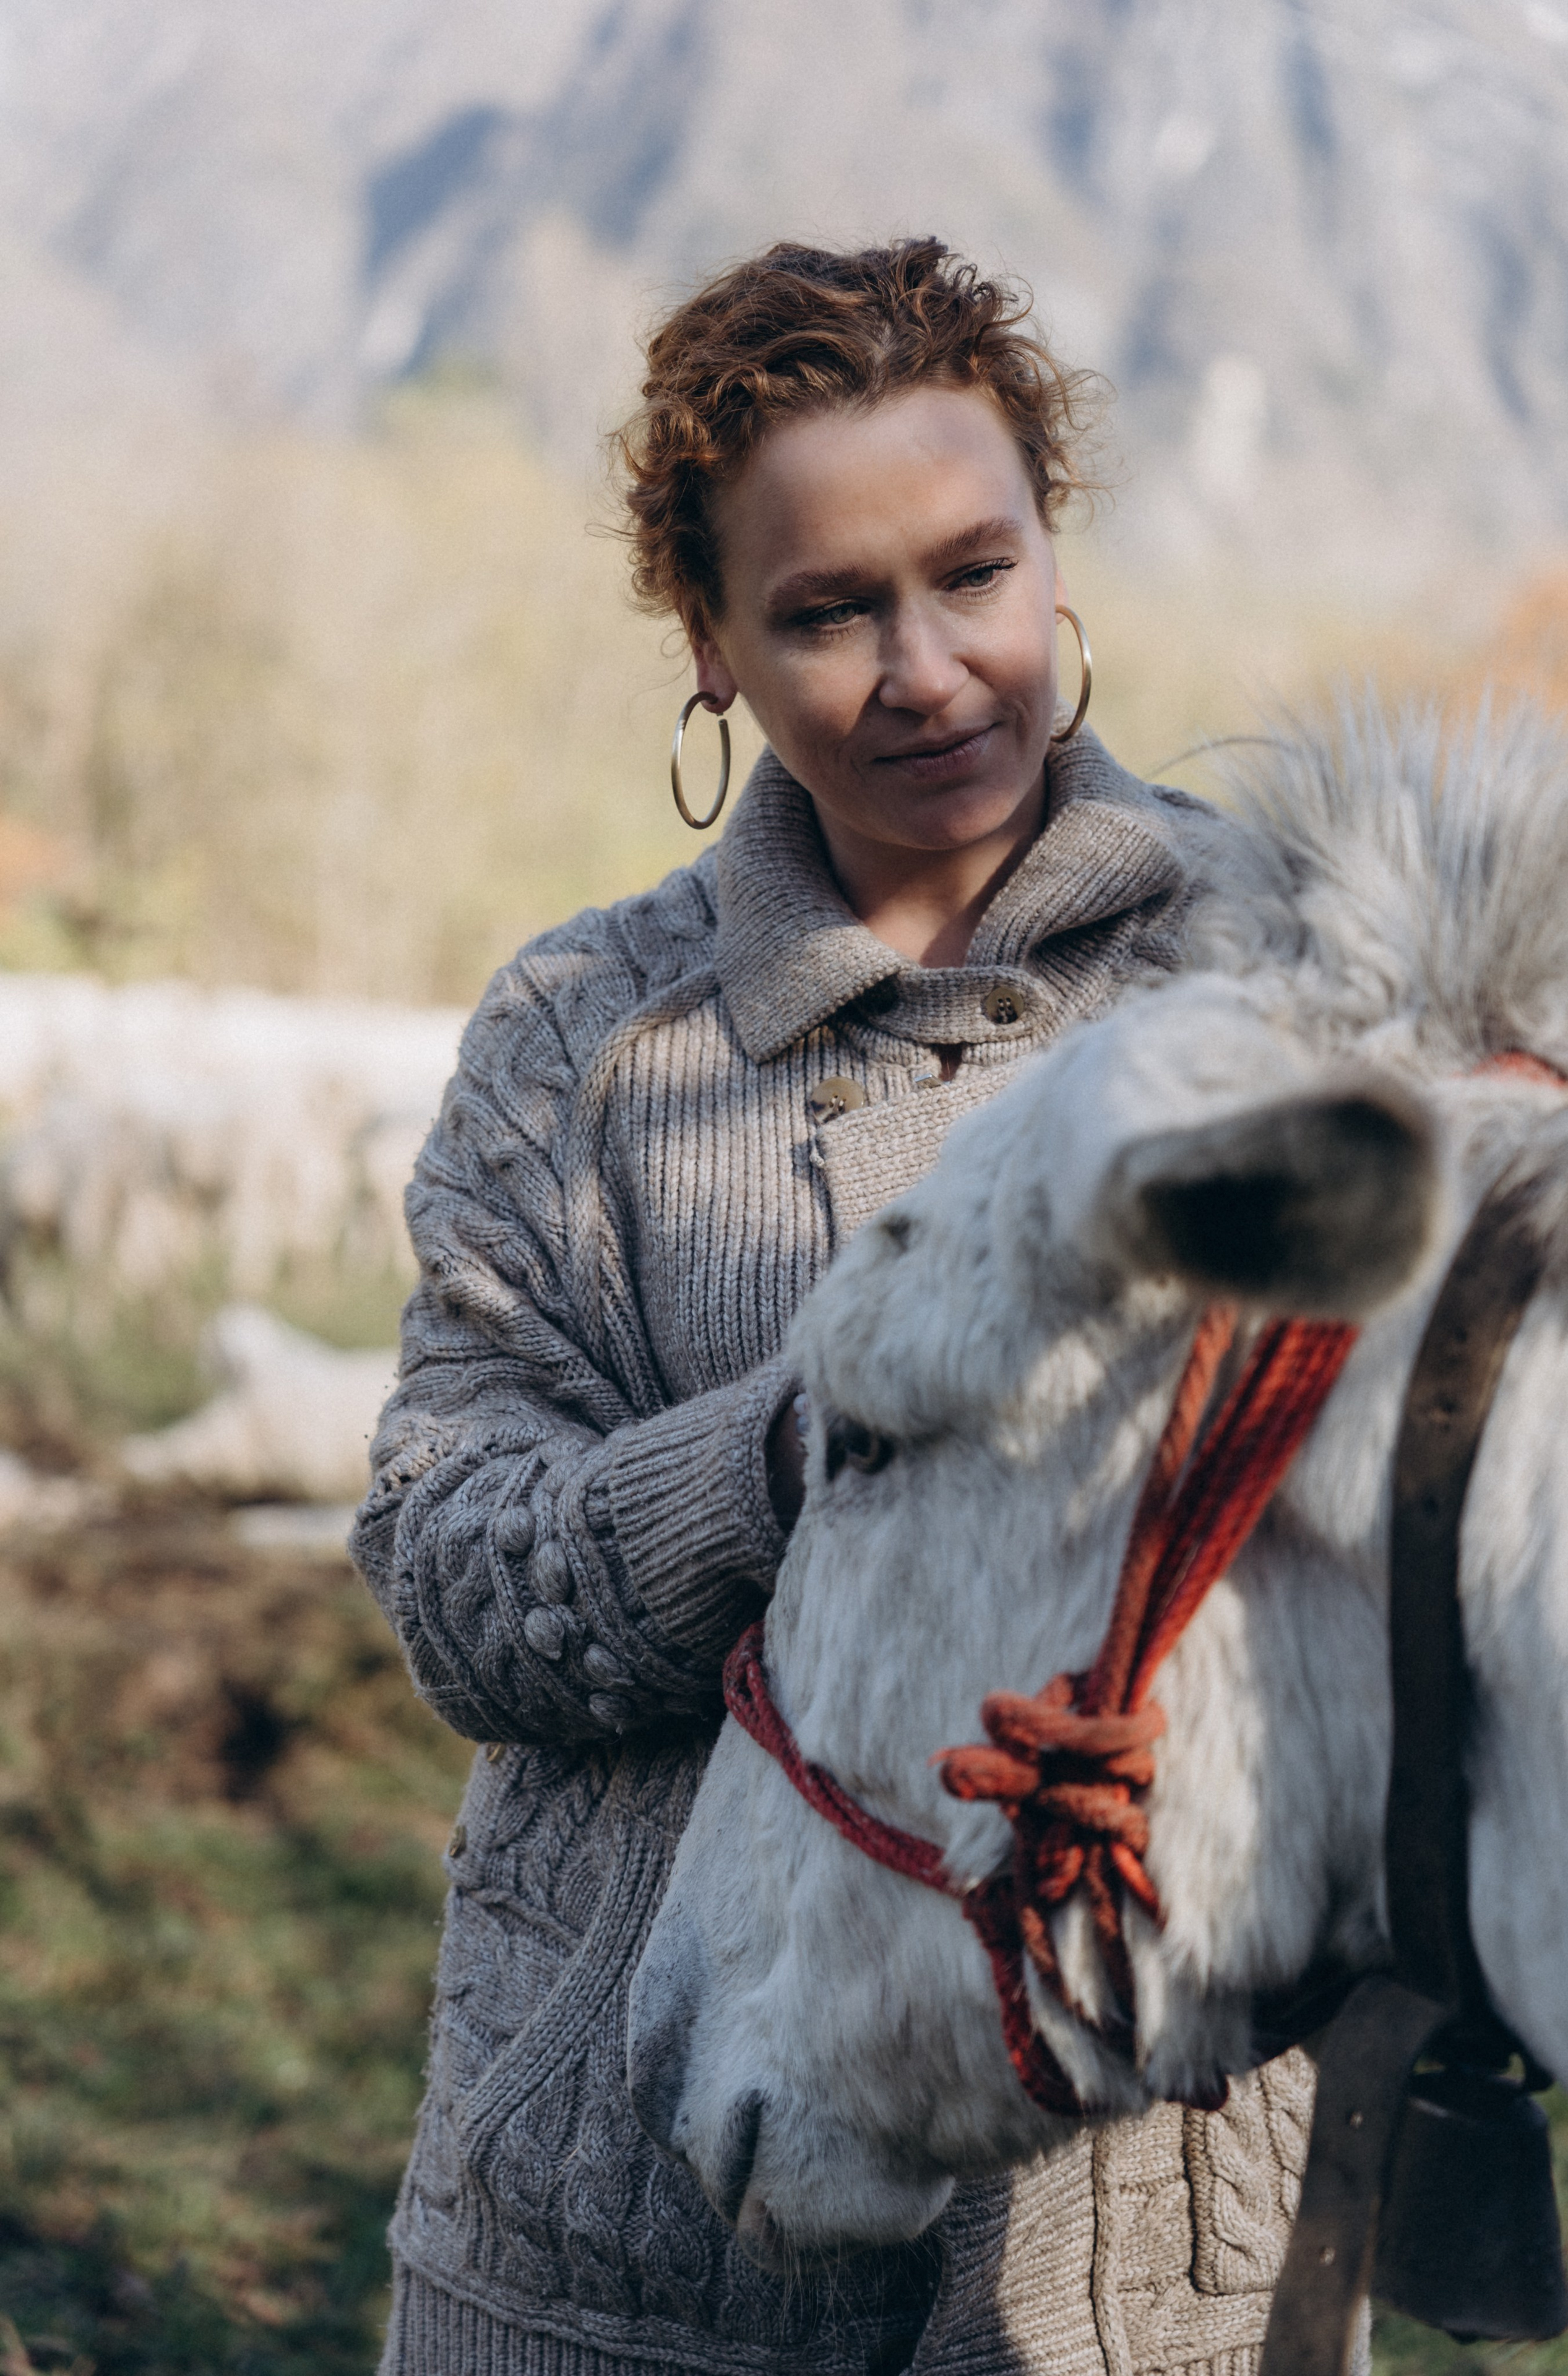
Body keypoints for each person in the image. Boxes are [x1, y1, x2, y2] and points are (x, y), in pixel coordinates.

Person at [353, 237, 1316, 2376]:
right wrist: (815, 1445)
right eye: (826, 610)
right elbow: (455, 1586)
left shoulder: (1292, 994)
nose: (929, 668)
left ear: (1057, 553)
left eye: (975, 571)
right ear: (708, 643)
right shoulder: (586, 1039)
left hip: (1126, 2271)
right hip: (621, 2258)